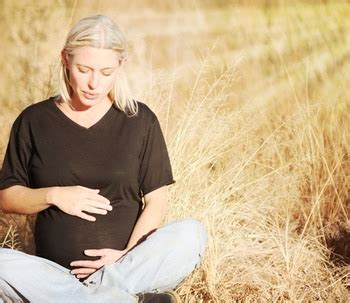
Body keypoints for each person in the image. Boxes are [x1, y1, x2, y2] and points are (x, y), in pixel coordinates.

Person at [0, 15, 207, 303]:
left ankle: (101, 294)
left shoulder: (139, 120)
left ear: (121, 67)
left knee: (191, 234)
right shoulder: (34, 120)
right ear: (65, 60)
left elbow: (156, 202)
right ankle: (124, 299)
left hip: (125, 267)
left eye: (106, 71)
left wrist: (127, 255)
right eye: (84, 69)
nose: (94, 83)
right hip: (55, 274)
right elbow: (7, 197)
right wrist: (54, 195)